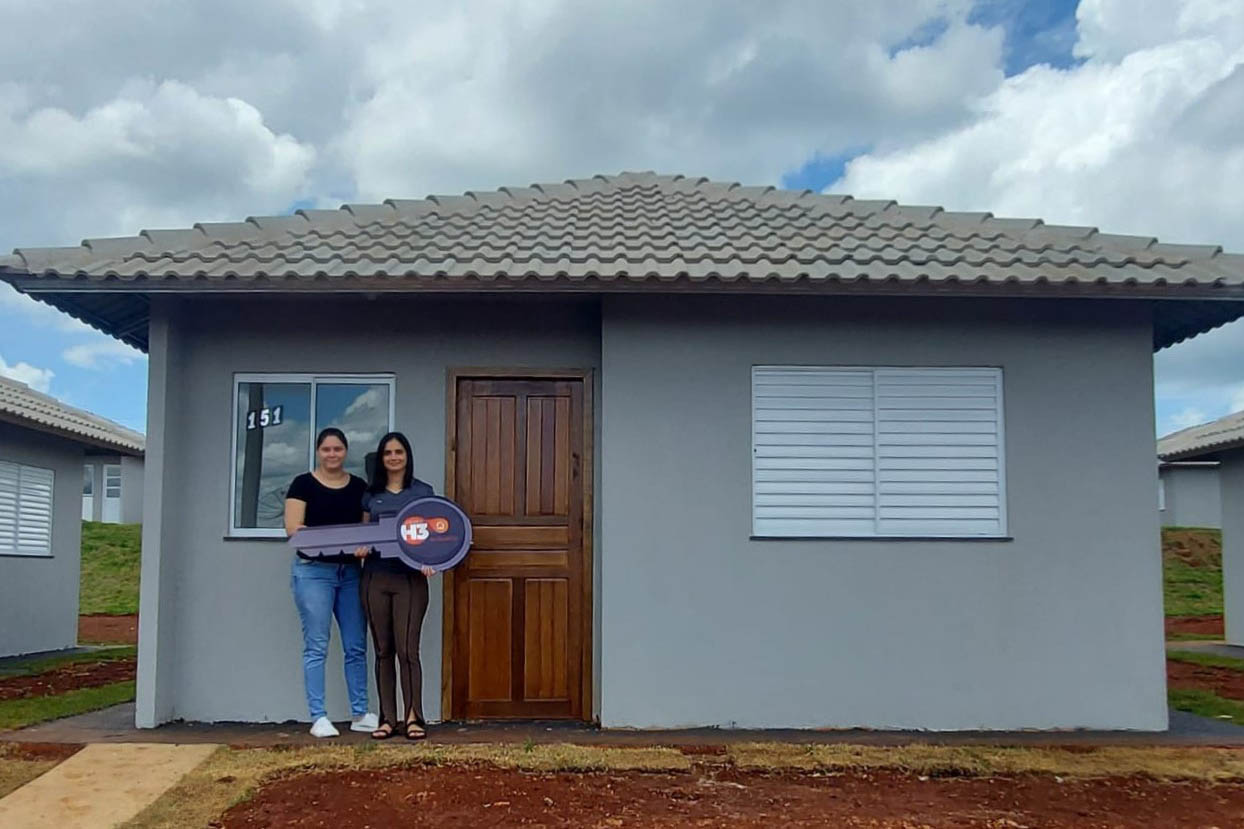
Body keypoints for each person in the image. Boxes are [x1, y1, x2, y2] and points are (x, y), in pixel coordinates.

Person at [284, 427, 378, 738]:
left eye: (338, 449)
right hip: (313, 573)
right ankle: (319, 716)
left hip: (350, 573)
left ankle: (361, 712)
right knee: (317, 645)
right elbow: (294, 529)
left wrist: (362, 547)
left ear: (345, 451)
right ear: (318, 451)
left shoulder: (359, 487)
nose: (332, 454)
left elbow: (364, 533)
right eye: (326, 449)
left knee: (355, 645)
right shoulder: (303, 484)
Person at [356, 431, 437, 740]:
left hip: (410, 579)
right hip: (375, 576)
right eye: (388, 452)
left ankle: (414, 716)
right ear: (382, 458)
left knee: (407, 650)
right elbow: (364, 533)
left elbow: (435, 532)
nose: (393, 457)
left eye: (398, 452)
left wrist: (433, 559)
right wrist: (361, 548)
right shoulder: (370, 494)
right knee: (382, 650)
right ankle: (387, 719)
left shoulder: (422, 492)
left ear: (407, 456)